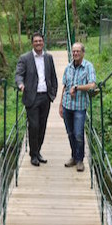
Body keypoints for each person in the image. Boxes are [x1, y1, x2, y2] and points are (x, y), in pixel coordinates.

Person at [15, 32, 58, 166]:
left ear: (43, 42)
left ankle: (38, 152)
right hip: (32, 98)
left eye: (40, 41)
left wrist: (53, 93)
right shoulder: (25, 58)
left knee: (42, 127)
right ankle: (33, 155)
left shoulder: (48, 58)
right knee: (34, 126)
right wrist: (20, 84)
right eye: (36, 41)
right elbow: (19, 74)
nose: (38, 43)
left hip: (45, 97)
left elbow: (53, 76)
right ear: (32, 43)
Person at [59, 42, 96, 172]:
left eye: (78, 51)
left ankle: (80, 160)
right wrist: (60, 106)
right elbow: (64, 87)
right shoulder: (68, 68)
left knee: (79, 134)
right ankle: (74, 157)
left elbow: (92, 85)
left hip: (80, 107)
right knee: (70, 134)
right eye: (73, 51)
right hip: (67, 106)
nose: (75, 53)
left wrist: (77, 87)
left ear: (83, 53)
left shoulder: (88, 67)